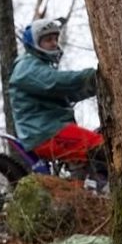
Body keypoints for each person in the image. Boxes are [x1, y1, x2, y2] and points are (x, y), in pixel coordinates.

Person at [8, 17, 106, 175]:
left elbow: (68, 92)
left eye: (55, 38)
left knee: (103, 137)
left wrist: (98, 86)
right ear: (34, 43)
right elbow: (56, 82)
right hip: (44, 132)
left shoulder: (39, 66)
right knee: (101, 147)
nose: (54, 43)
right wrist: (93, 76)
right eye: (48, 39)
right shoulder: (26, 68)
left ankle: (85, 186)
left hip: (51, 128)